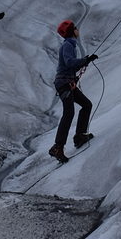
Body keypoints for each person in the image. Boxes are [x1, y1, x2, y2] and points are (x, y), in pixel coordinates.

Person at [48, 20, 97, 162]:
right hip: (65, 83)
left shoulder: (69, 45)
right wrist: (85, 60)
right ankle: (58, 147)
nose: (77, 29)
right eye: (75, 28)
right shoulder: (68, 45)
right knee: (69, 113)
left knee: (86, 104)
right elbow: (70, 62)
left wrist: (86, 61)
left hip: (66, 82)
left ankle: (80, 135)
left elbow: (70, 65)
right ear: (71, 31)